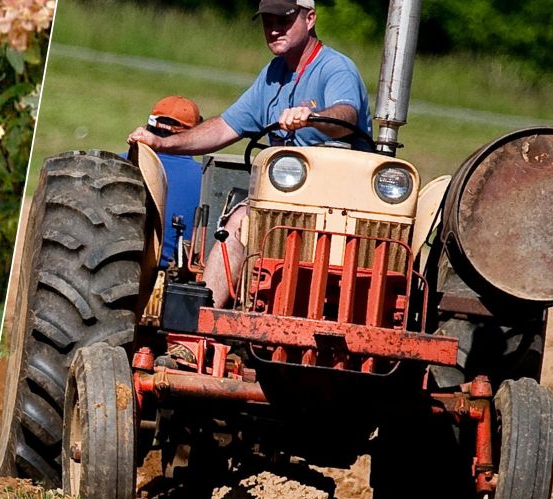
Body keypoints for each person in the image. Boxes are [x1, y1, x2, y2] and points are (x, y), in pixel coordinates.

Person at [126, 0, 371, 306]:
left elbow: (347, 116)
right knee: (240, 221)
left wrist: (313, 118)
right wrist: (163, 143)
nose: (274, 28)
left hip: (340, 201)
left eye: (283, 19)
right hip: (283, 198)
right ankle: (201, 322)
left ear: (310, 19)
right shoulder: (273, 75)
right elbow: (223, 127)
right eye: (268, 20)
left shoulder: (335, 68)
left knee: (245, 218)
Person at [126, 95, 204, 269]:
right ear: (195, 135)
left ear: (148, 126)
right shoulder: (207, 179)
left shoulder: (117, 164)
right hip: (173, 279)